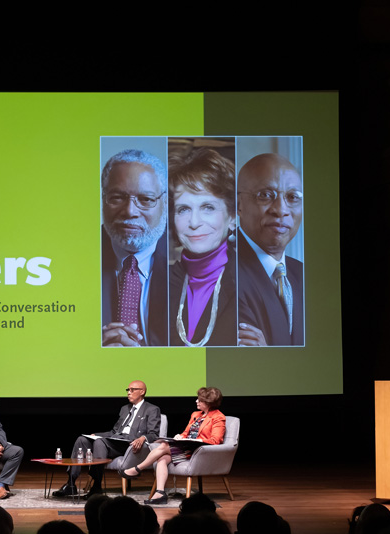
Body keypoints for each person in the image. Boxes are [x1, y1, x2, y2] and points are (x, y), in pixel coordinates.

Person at [168, 146, 237, 346]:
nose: (194, 222)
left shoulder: (251, 283)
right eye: (183, 209)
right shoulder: (159, 283)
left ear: (232, 217)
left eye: (208, 207)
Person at [101, 149, 169, 346]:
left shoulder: (188, 259)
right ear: (103, 200)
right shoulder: (79, 256)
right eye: (117, 197)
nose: (130, 211)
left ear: (165, 203)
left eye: (146, 199)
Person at [236, 153, 304, 346]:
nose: (281, 210)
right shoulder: (219, 272)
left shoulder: (303, 275)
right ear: (238, 205)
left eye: (292, 197)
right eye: (265, 195)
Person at [52, 381, 161, 498]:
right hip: (114, 441)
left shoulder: (152, 409)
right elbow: (114, 432)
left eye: (132, 390)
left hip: (129, 445)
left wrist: (143, 438)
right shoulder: (125, 409)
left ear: (142, 392)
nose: (129, 393)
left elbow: (154, 434)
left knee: (100, 442)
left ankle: (96, 486)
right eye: (128, 390)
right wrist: (96, 435)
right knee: (82, 440)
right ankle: (71, 484)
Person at [120, 386, 225, 505]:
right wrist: (180, 436)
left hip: (199, 451)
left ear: (208, 402)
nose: (196, 401)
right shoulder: (196, 414)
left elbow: (216, 440)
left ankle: (137, 469)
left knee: (164, 446)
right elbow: (186, 433)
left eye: (200, 400)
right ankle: (160, 493)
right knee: (162, 459)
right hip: (186, 447)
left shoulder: (218, 417)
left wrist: (194, 440)